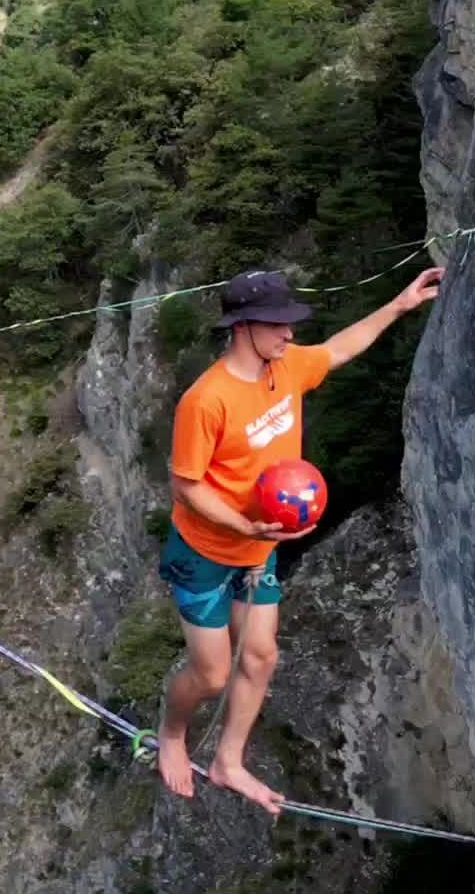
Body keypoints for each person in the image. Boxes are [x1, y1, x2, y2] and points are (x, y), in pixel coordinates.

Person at [157, 264, 444, 813]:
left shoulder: (285, 369)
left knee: (261, 656)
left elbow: (337, 349)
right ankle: (173, 735)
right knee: (212, 674)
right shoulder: (206, 400)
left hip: (259, 547)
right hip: (205, 552)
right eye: (279, 324)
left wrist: (399, 305)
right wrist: (243, 527)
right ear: (243, 327)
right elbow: (185, 484)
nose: (290, 334)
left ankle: (227, 762)